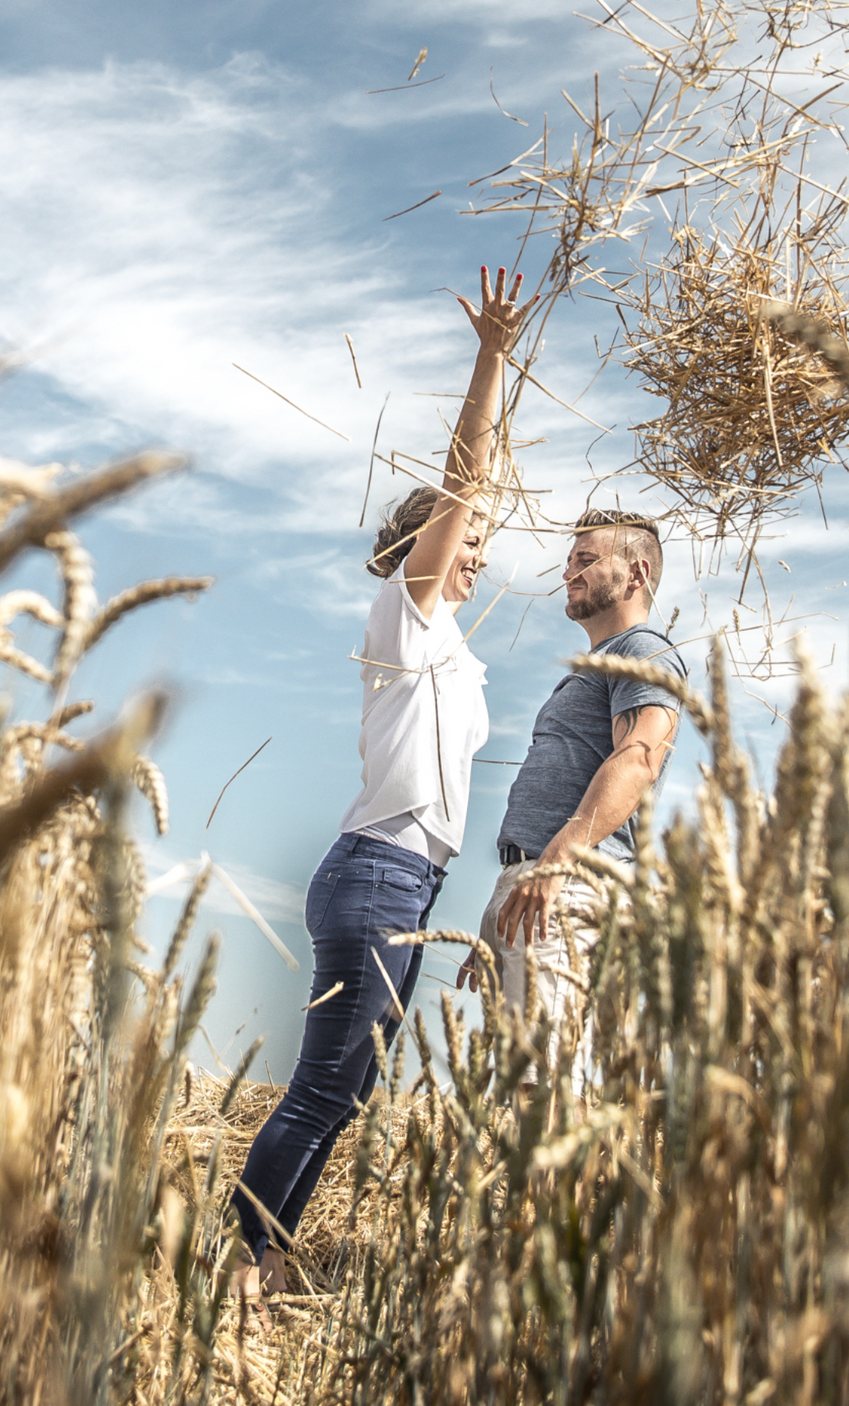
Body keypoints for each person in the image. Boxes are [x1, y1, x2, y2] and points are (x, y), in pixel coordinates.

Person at [232, 266, 538, 1306]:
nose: (474, 563)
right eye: (467, 548)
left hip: (408, 887)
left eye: (483, 553)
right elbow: (465, 483)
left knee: (351, 1091)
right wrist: (492, 359)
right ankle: (240, 1264)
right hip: (376, 874)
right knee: (325, 1082)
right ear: (422, 546)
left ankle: (270, 1255)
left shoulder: (449, 642)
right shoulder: (404, 616)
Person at [458, 510, 685, 1051]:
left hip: (567, 883)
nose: (568, 574)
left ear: (638, 573)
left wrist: (556, 864)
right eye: (569, 562)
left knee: (542, 1085)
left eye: (586, 561)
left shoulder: (643, 652)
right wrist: (502, 905)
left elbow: (638, 759)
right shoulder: (599, 664)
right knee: (518, 1083)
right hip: (537, 886)